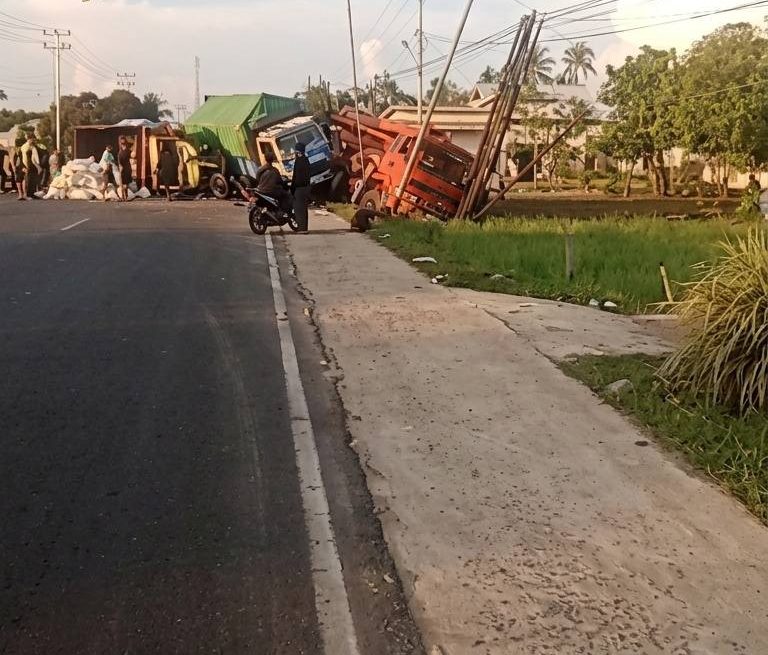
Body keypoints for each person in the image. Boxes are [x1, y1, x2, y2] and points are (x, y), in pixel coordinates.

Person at [291, 142, 311, 232]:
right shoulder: (306, 160)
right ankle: (305, 228)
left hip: (299, 188)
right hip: (306, 187)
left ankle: (301, 228)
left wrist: (292, 189)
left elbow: (295, 177)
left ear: (298, 152)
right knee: (304, 208)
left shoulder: (298, 161)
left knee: (298, 209)